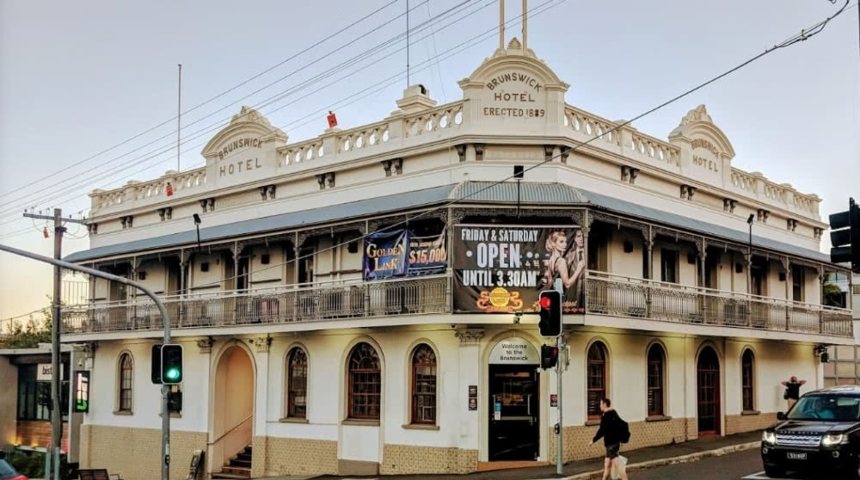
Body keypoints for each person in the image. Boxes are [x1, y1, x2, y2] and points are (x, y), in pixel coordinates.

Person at [590, 398, 629, 480]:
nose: (599, 406)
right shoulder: (613, 413)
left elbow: (602, 431)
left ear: (604, 404)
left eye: (600, 404)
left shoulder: (606, 416)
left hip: (611, 445)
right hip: (613, 444)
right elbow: (620, 425)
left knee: (618, 467)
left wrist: (593, 440)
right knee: (607, 465)